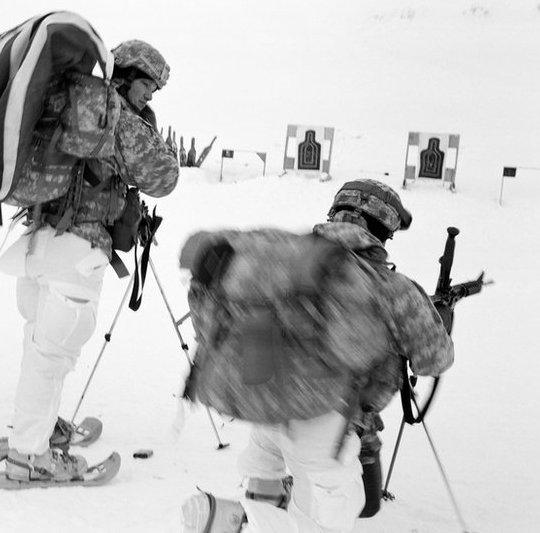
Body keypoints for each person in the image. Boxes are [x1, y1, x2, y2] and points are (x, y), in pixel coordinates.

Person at [181, 179, 455, 532]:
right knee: (327, 521)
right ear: (385, 230)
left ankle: (253, 512)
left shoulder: (291, 260)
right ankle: (234, 521)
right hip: (325, 416)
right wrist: (438, 320)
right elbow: (435, 359)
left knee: (268, 482)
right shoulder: (393, 288)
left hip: (268, 402)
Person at [0, 39, 179, 482]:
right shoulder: (116, 114)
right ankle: (30, 456)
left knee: (40, 348)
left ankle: (36, 429)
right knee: (52, 354)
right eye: (148, 88)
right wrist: (148, 128)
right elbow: (164, 177)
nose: (149, 97)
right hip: (77, 253)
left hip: (38, 240)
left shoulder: (68, 102)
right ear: (129, 76)